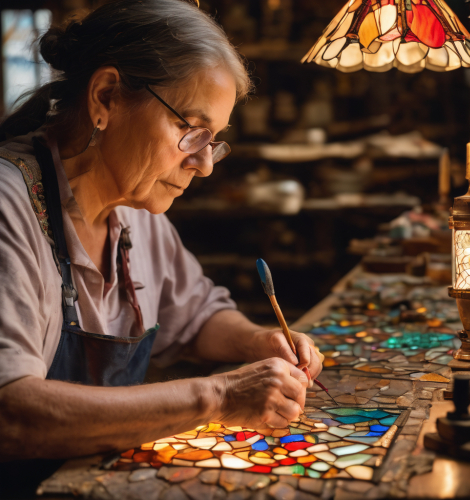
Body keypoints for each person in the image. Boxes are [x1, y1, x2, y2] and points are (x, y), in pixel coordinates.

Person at [0, 0, 323, 475]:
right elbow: (11, 414)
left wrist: (259, 341)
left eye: (213, 140)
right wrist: (219, 395)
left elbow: (195, 316)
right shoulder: (11, 206)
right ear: (106, 97)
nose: (205, 165)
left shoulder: (135, 210)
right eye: (190, 130)